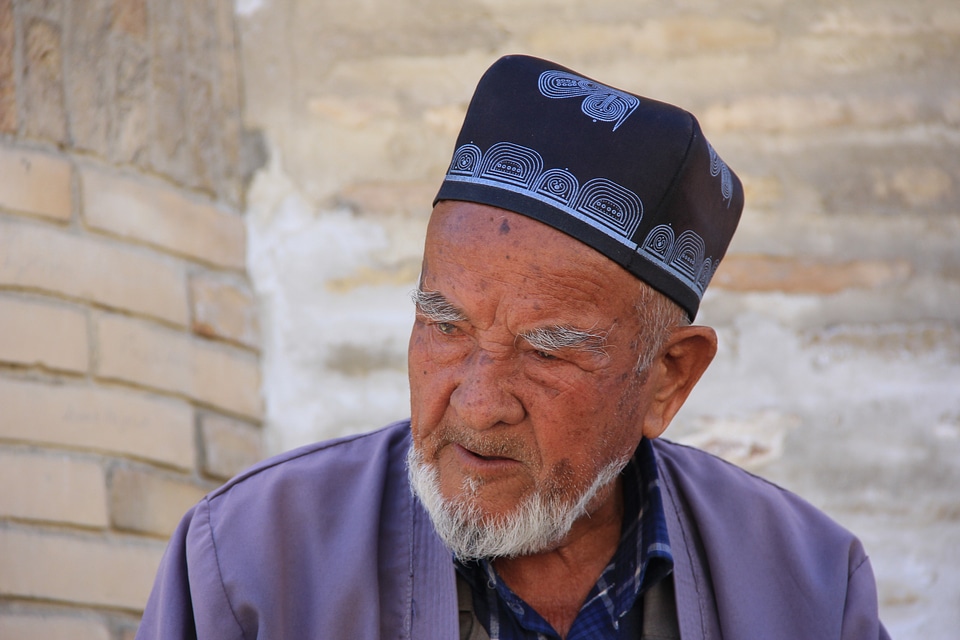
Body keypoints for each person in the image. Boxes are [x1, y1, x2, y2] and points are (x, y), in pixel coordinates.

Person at [136, 55, 889, 639]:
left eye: (549, 351)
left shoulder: (811, 586)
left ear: (667, 377)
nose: (478, 402)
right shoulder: (246, 563)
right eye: (445, 324)